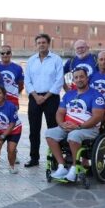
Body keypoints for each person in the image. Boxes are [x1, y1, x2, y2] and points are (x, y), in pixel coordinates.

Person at [45, 68, 105, 182]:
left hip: (88, 128)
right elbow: (60, 112)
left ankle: (74, 167)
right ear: (73, 80)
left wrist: (79, 127)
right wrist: (61, 124)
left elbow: (97, 116)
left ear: (87, 78)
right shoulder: (69, 94)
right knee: (50, 133)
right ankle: (62, 166)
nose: (79, 79)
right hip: (68, 127)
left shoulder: (96, 95)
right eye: (76, 77)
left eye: (82, 77)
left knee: (74, 136)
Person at [23, 33, 64, 167]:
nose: (41, 45)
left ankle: (55, 160)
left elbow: (59, 80)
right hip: (34, 98)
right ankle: (34, 158)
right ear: (36, 45)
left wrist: (45, 97)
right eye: (39, 43)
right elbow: (27, 80)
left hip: (51, 98)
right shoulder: (31, 60)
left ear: (48, 44)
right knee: (34, 130)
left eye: (44, 42)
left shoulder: (56, 59)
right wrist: (35, 96)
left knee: (53, 129)